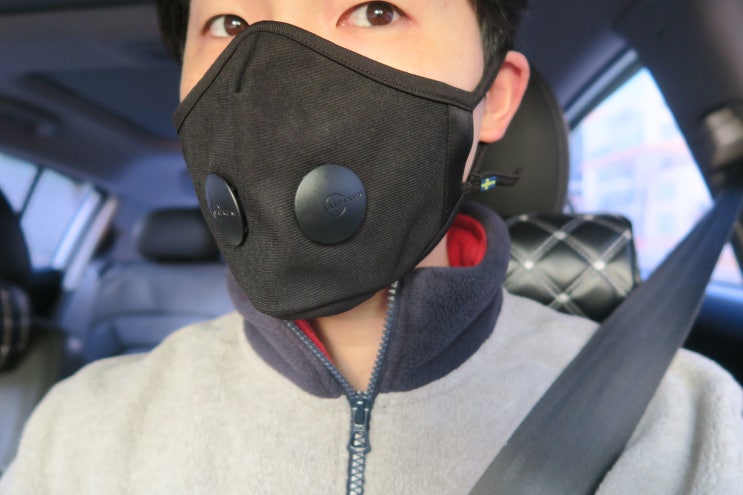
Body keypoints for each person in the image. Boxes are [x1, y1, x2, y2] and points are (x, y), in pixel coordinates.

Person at [1, 1, 741, 493]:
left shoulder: (680, 421)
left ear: (494, 98)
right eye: (227, 22)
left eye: (375, 9)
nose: (281, 86)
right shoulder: (83, 430)